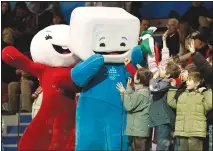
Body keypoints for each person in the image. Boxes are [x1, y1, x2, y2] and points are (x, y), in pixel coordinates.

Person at [167, 72, 212, 151]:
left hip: (196, 131)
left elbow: (210, 104)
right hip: (182, 131)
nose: (187, 82)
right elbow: (171, 102)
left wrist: (206, 91)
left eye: (190, 80)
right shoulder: (182, 94)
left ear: (197, 83)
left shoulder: (201, 95)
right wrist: (173, 88)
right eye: (187, 80)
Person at [116, 68, 153, 151]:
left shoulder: (140, 94)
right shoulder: (144, 91)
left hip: (139, 130)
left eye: (135, 75)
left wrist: (123, 92)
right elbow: (133, 98)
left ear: (139, 79)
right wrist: (129, 88)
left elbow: (129, 105)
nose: (134, 76)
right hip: (140, 129)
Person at [148, 61, 181, 151]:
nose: (159, 69)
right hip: (161, 119)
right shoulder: (162, 81)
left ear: (168, 75)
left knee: (162, 147)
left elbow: (152, 88)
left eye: (162, 69)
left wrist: (154, 76)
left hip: (164, 120)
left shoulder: (167, 82)